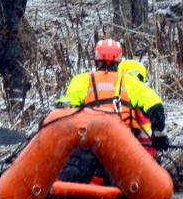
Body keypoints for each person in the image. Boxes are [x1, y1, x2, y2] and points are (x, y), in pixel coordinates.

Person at [56, 39, 169, 184]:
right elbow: (156, 107)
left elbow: (65, 110)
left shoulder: (82, 80)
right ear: (119, 59)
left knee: (73, 171)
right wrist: (159, 136)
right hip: (123, 145)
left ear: (96, 58)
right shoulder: (131, 81)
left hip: (89, 143)